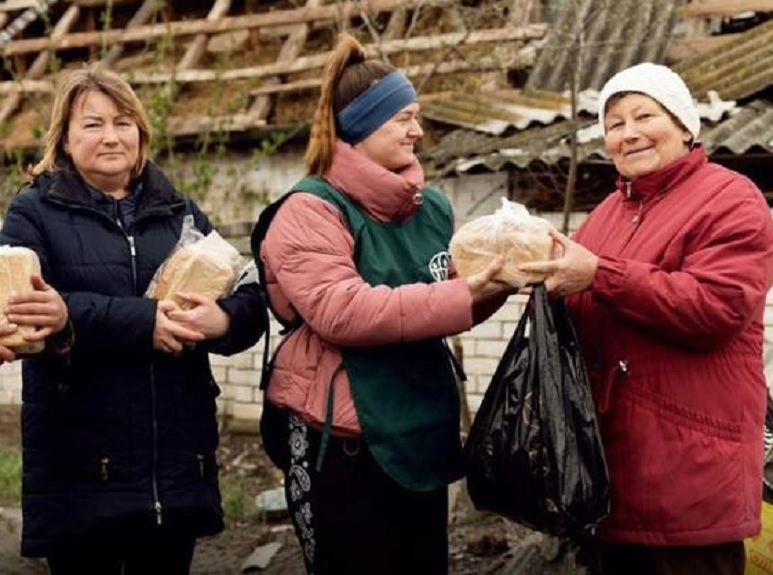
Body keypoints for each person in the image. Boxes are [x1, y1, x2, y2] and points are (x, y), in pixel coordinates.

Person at [255, 33, 514, 575]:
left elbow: (452, 303)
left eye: (417, 116)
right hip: (344, 443)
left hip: (418, 430)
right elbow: (341, 311)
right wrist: (467, 292)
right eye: (403, 119)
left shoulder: (432, 209)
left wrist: (503, 282)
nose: (418, 131)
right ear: (360, 127)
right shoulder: (310, 210)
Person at [0, 63, 266, 575]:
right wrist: (145, 322)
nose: (111, 136)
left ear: (141, 133)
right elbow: (27, 308)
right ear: (64, 137)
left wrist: (224, 322)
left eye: (123, 122)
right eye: (92, 124)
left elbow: (248, 291)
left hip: (175, 464)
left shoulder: (177, 212)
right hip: (83, 467)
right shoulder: (31, 213)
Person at [519, 62, 773, 575]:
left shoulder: (731, 199)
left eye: (644, 116)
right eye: (614, 123)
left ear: (683, 125)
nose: (628, 133)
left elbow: (716, 309)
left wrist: (600, 276)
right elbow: (583, 307)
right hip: (612, 472)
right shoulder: (607, 213)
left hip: (691, 476)